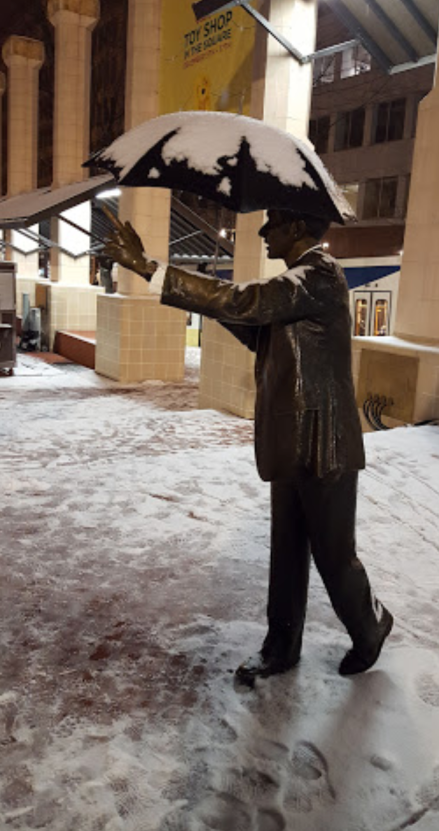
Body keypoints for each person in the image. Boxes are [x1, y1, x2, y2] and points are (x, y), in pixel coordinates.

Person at [103, 209, 393, 684]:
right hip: (292, 439)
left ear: (299, 227)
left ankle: (369, 626)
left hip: (326, 444)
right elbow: (256, 327)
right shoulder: (296, 288)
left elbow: (247, 300)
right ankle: (281, 645)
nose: (263, 233)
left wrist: (149, 267)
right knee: (287, 552)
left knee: (334, 554)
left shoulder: (318, 275)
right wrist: (211, 306)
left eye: (272, 223)